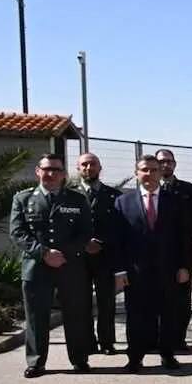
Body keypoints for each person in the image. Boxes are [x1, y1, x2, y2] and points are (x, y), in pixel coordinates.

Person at [9, 153, 94, 377]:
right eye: (46, 169)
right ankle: (36, 362)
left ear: (63, 174)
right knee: (36, 317)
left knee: (76, 314)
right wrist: (44, 253)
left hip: (70, 266)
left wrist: (63, 253)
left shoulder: (77, 200)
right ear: (38, 171)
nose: (50, 174)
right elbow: (18, 233)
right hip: (36, 267)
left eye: (56, 170)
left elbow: (85, 232)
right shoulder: (23, 199)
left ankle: (79, 359)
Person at [114, 155, 192, 372]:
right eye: (144, 170)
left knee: (169, 315)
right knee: (137, 316)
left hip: (168, 270)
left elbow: (184, 237)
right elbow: (118, 240)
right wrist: (120, 271)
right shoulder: (123, 202)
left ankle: (167, 355)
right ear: (136, 173)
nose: (149, 174)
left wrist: (184, 266)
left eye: (154, 170)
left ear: (160, 173)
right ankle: (135, 358)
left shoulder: (174, 201)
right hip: (136, 271)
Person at [75, 152, 123, 356]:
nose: (88, 168)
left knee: (106, 302)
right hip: (78, 258)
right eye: (84, 165)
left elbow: (119, 227)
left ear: (99, 168)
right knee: (81, 301)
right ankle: (87, 342)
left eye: (92, 164)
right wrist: (83, 243)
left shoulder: (114, 196)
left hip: (105, 257)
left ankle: (107, 342)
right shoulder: (69, 196)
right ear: (78, 168)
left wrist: (100, 243)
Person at [155, 148, 192, 351]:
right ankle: (156, 339)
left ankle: (179, 338)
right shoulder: (149, 189)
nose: (165, 165)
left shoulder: (188, 190)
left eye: (169, 161)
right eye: (161, 161)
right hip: (155, 255)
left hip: (181, 252)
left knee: (181, 301)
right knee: (156, 300)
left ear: (175, 164)